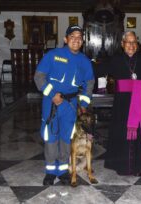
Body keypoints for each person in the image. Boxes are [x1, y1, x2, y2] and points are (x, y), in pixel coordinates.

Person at [34, 25, 95, 185]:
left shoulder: (85, 61)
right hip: (51, 102)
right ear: (65, 39)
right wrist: (52, 95)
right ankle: (50, 171)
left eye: (79, 38)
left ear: (82, 42)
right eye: (72, 36)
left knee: (66, 137)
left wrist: (83, 103)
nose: (76, 40)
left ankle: (62, 170)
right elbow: (39, 77)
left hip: (70, 104)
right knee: (51, 136)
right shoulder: (53, 55)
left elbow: (89, 83)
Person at [96, 31, 141, 176]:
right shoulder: (116, 59)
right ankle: (122, 166)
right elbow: (98, 70)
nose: (131, 45)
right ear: (122, 44)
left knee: (139, 133)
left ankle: (140, 166)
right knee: (122, 134)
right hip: (122, 104)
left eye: (134, 42)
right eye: (128, 42)